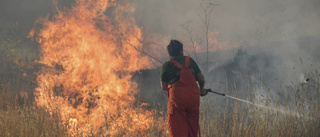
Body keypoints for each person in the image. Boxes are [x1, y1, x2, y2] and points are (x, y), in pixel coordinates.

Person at [160, 40, 207, 137]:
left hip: (177, 100)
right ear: (181, 50)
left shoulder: (166, 65)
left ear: (169, 53)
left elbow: (164, 86)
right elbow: (201, 79)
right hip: (193, 99)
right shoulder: (190, 60)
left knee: (178, 131)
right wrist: (201, 89)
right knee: (192, 131)